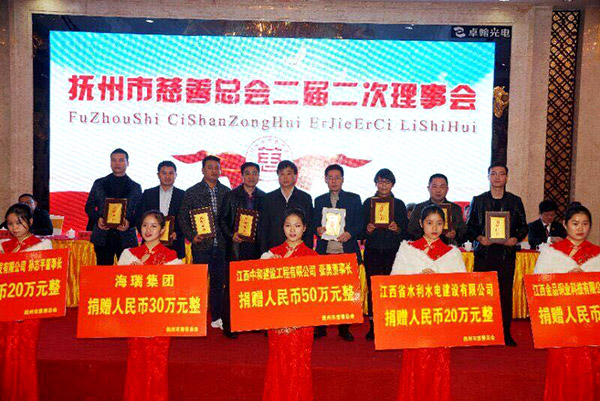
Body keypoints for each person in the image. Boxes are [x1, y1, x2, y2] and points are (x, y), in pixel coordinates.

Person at [392, 205, 466, 401]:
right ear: (421, 223)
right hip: (415, 318)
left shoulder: (452, 253)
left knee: (439, 362)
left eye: (439, 223)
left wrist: (439, 277)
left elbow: (461, 289)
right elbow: (395, 284)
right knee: (414, 361)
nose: (434, 228)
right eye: (429, 223)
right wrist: (418, 277)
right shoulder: (408, 250)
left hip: (440, 318)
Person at [533, 205, 600, 401]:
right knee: (562, 364)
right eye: (575, 223)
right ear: (565, 224)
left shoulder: (597, 255)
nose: (580, 228)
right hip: (562, 321)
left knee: (590, 364)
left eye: (585, 224)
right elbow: (538, 287)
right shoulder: (551, 253)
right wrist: (564, 278)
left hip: (589, 322)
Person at [118, 210, 182, 401]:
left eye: (154, 226)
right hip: (135, 319)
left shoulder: (171, 258)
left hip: (159, 321)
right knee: (136, 363)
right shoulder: (129, 255)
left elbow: (175, 291)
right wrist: (130, 275)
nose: (148, 230)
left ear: (162, 230)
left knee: (157, 366)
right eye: (145, 225)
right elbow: (117, 289)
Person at [466, 163, 527, 346]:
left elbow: (523, 226)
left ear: (507, 177)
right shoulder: (478, 200)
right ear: (488, 177)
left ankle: (505, 333)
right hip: (484, 254)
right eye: (493, 174)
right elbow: (470, 226)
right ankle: (481, 332)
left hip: (506, 254)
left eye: (501, 174)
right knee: (482, 294)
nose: (497, 177)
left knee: (505, 294)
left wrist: (515, 238)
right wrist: (479, 237)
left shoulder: (515, 201)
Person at [261, 208, 317, 401]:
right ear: (282, 227)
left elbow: (315, 294)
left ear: (305, 228)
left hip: (301, 324)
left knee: (299, 364)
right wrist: (271, 269)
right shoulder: (271, 255)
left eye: (297, 225)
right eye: (288, 225)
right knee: (278, 362)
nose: (292, 230)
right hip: (277, 321)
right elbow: (260, 291)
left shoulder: (312, 257)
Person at [0, 203, 53, 401]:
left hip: (28, 309)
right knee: (5, 350)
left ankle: (25, 395)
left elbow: (46, 278)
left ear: (30, 222)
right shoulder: (3, 246)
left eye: (19, 223)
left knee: (24, 352)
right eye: (10, 224)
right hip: (6, 306)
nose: (14, 228)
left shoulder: (42, 245)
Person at [178, 155, 230, 330]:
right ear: (202, 170)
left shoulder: (226, 192)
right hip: (201, 245)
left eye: (217, 168)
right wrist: (192, 236)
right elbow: (182, 217)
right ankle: (195, 318)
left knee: (218, 284)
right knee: (198, 284)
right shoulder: (192, 192)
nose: (214, 171)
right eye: (210, 167)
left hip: (221, 246)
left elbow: (230, 218)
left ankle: (216, 318)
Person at [312, 164, 363, 341]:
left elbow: (360, 223)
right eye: (330, 178)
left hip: (346, 253)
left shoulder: (354, 199)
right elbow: (313, 223)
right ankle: (321, 327)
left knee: (346, 293)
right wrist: (317, 229)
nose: (334, 181)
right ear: (325, 180)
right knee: (323, 293)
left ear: (343, 179)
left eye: (337, 177)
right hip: (325, 253)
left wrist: (350, 233)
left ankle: (344, 328)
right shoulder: (319, 200)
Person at [218, 162, 265, 338]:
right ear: (242, 176)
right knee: (232, 288)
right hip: (236, 247)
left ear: (259, 176)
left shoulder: (264, 197)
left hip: (256, 248)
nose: (251, 176)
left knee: (254, 288)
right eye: (248, 173)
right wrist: (232, 235)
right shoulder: (231, 195)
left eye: (255, 173)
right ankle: (229, 326)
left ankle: (252, 322)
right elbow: (222, 220)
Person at [362, 168, 409, 340]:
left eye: (387, 182)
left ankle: (391, 324)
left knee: (392, 289)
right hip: (373, 252)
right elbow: (360, 231)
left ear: (392, 184)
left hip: (393, 253)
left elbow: (407, 233)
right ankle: (373, 325)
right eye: (380, 182)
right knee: (373, 289)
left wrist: (398, 229)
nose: (383, 185)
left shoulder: (399, 204)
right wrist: (367, 230)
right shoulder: (368, 203)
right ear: (375, 183)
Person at [85, 148, 142, 265]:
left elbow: (140, 212)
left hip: (126, 237)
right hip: (102, 236)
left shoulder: (135, 187)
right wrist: (98, 219)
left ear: (127, 163)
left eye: (121, 160)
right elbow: (89, 207)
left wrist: (129, 223)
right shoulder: (99, 183)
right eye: (114, 160)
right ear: (110, 163)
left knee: (127, 273)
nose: (117, 163)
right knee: (103, 273)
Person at [259, 160, 313, 254]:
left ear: (295, 176)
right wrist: (264, 252)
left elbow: (309, 227)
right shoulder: (268, 199)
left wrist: (307, 251)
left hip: (299, 251)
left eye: (289, 173)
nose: (285, 177)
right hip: (273, 250)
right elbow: (263, 228)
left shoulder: (305, 198)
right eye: (282, 174)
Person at [136, 161, 185, 259]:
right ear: (158, 175)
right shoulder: (148, 194)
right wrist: (147, 233)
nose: (167, 176)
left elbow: (186, 219)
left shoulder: (183, 195)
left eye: (171, 173)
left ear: (176, 175)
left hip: (174, 244)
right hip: (150, 244)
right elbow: (139, 216)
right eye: (164, 173)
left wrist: (178, 233)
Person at [408, 174, 467, 246]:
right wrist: (426, 233)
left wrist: (455, 234)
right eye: (434, 186)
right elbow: (411, 232)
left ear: (447, 189)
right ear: (428, 188)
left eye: (442, 187)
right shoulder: (419, 208)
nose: (438, 190)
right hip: (423, 249)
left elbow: (464, 233)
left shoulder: (455, 209)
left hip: (448, 248)